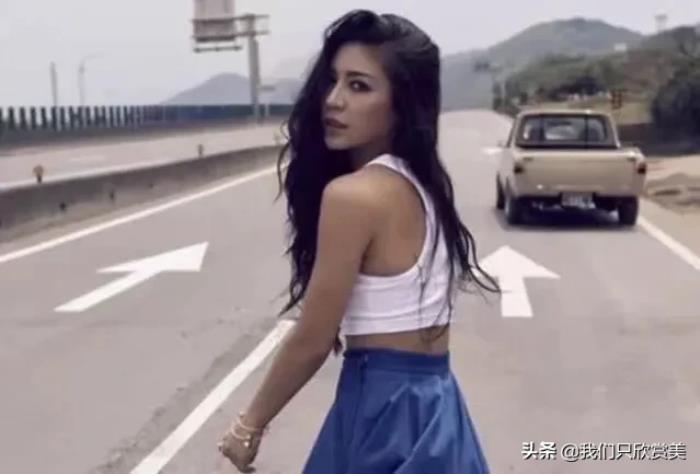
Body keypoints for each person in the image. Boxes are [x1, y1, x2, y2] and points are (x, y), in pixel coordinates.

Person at [217, 9, 499, 473]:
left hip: (380, 414)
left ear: (401, 104)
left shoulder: (353, 197)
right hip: (438, 409)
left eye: (359, 86)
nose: (333, 100)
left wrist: (248, 428)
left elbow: (313, 340)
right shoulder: (425, 186)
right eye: (332, 81)